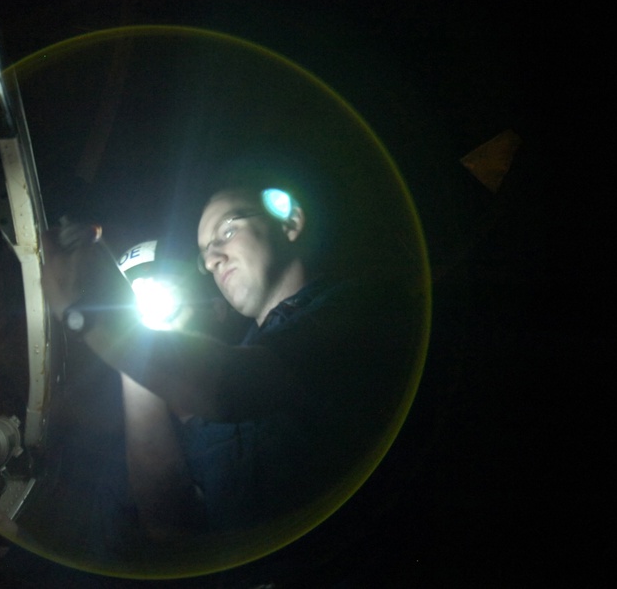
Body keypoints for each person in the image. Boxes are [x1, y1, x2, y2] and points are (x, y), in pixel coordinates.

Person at [40, 173, 420, 539]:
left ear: (289, 221)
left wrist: (85, 312)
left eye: (227, 231)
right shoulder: (215, 387)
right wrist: (134, 357)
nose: (212, 259)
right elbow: (167, 521)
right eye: (205, 252)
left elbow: (230, 387)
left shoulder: (358, 307)